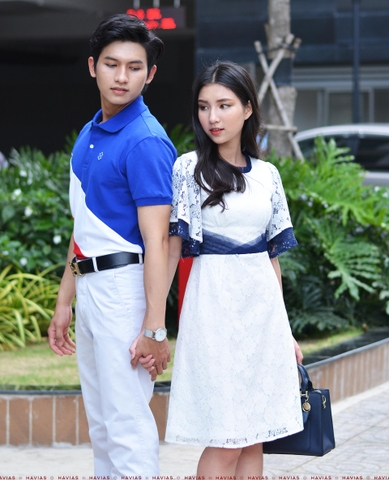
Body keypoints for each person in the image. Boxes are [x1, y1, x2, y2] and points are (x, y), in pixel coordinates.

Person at [47, 14, 176, 476]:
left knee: (126, 423)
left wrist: (155, 330)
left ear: (151, 73)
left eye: (135, 67)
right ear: (92, 67)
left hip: (126, 290)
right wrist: (65, 300)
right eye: (111, 64)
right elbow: (83, 226)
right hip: (91, 288)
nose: (122, 77)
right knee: (102, 425)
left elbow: (158, 241)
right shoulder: (88, 134)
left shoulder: (146, 142)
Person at [164, 61, 304, 477]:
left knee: (253, 436)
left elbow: (271, 257)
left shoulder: (268, 176)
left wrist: (286, 330)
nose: (213, 117)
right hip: (214, 310)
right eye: (204, 107)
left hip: (262, 317)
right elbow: (173, 249)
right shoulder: (189, 169)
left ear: (247, 108)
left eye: (224, 105)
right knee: (226, 440)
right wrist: (154, 323)